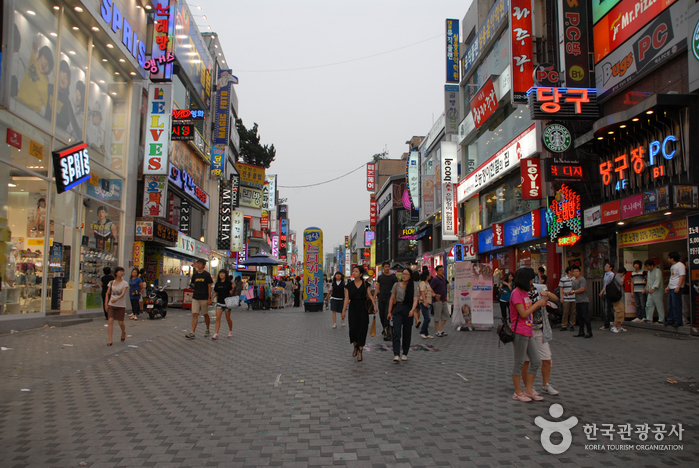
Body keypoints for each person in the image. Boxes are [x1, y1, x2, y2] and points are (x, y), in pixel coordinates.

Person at [510, 268, 549, 402]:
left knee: (536, 361)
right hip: (520, 332)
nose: (533, 282)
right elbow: (523, 313)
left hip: (528, 331)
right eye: (531, 279)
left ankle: (528, 390)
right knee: (519, 363)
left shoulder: (525, 292)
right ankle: (518, 392)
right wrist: (537, 304)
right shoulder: (516, 293)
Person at [523, 278, 560, 396]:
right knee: (526, 361)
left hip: (540, 329)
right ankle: (528, 387)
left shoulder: (539, 288)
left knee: (547, 359)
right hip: (526, 330)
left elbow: (555, 299)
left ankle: (545, 385)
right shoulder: (518, 292)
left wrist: (547, 293)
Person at [388, 268, 419, 363]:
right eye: (403, 274)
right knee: (396, 332)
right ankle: (396, 354)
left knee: (407, 332)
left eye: (406, 274)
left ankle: (405, 352)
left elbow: (415, 300)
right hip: (398, 309)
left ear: (410, 276)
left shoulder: (413, 286)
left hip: (408, 309)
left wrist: (413, 310)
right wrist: (389, 312)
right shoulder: (396, 285)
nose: (404, 275)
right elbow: (392, 299)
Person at [343, 266, 373, 362]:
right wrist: (343, 310)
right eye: (353, 271)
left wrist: (374, 306)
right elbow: (346, 298)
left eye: (356, 271)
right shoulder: (349, 285)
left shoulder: (365, 284)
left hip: (363, 308)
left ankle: (360, 350)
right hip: (353, 308)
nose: (354, 273)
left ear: (360, 274)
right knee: (353, 329)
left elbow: (369, 295)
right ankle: (355, 345)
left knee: (362, 328)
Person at [17, 42, 54, 114]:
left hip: (32, 113)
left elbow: (47, 105)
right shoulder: (33, 63)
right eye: (45, 58)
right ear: (40, 56)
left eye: (48, 64)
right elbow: (33, 54)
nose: (45, 64)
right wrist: (34, 50)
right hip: (19, 102)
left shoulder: (46, 84)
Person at [185, 259, 213, 339]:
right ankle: (192, 332)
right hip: (195, 297)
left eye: (200, 263)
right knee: (195, 314)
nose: (198, 265)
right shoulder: (195, 275)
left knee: (205, 314)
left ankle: (207, 329)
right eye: (198, 263)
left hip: (204, 297)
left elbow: (209, 286)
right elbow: (193, 284)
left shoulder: (207, 275)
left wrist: (209, 298)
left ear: (203, 265)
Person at [374, 262, 398, 341]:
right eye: (385, 267)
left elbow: (396, 288)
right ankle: (385, 328)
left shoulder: (393, 277)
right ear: (383, 268)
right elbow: (378, 287)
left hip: (390, 298)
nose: (387, 268)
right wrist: (374, 297)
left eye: (388, 267)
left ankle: (387, 332)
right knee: (381, 314)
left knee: (386, 314)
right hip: (381, 298)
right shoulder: (380, 277)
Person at [105, 267, 128, 346]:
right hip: (112, 304)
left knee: (120, 322)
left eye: (122, 272)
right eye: (120, 271)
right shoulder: (111, 283)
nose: (122, 273)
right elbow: (107, 293)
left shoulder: (125, 283)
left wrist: (117, 299)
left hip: (120, 305)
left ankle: (123, 332)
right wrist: (106, 304)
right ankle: (110, 340)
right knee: (110, 320)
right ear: (116, 273)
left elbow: (123, 294)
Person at [665, 251, 686, 328]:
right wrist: (668, 286)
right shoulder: (672, 266)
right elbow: (672, 277)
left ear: (672, 258)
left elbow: (682, 276)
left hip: (676, 287)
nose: (668, 259)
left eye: (669, 257)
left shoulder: (680, 265)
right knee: (670, 304)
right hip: (671, 287)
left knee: (676, 304)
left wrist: (678, 286)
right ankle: (670, 320)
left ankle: (678, 320)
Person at [211, 270, 234, 340]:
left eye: (223, 274)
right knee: (218, 318)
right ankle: (216, 333)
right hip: (219, 302)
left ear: (225, 275)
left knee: (228, 318)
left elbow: (231, 292)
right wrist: (211, 299)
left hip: (227, 303)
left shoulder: (228, 283)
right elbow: (216, 292)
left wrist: (233, 288)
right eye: (220, 274)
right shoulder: (217, 283)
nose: (221, 275)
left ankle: (230, 330)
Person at [570, 266, 592, 338]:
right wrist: (569, 292)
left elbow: (582, 289)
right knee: (579, 317)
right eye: (574, 272)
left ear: (580, 272)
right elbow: (572, 290)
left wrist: (574, 291)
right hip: (577, 301)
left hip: (584, 301)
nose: (575, 273)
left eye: (577, 271)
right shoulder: (573, 281)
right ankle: (581, 332)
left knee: (585, 317)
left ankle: (589, 332)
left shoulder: (582, 279)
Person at [430, 265, 449, 337]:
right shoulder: (435, 279)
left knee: (446, 315)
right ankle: (437, 331)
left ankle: (441, 329)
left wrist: (446, 296)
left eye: (442, 270)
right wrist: (435, 295)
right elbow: (430, 288)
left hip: (443, 299)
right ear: (436, 271)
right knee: (437, 316)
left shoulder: (443, 279)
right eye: (440, 270)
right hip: (437, 300)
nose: (442, 271)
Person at [643, 259, 664, 323]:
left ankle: (661, 319)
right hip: (650, 291)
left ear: (652, 265)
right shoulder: (649, 272)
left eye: (648, 266)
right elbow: (649, 281)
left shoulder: (658, 271)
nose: (647, 268)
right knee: (649, 305)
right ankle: (649, 318)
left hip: (657, 291)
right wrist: (647, 288)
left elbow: (657, 280)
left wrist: (653, 288)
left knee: (659, 305)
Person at [599, 261, 615, 330]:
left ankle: (607, 323)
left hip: (610, 293)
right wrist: (602, 291)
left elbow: (611, 285)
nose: (605, 267)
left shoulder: (612, 275)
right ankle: (610, 321)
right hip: (605, 292)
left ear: (611, 268)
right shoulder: (605, 274)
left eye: (607, 266)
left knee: (608, 309)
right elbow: (605, 284)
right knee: (607, 308)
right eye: (605, 266)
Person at [418, 270, 434, 339]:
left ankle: (426, 333)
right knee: (427, 318)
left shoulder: (427, 283)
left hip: (428, 302)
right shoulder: (423, 283)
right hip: (424, 302)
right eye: (430, 274)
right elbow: (423, 293)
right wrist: (425, 302)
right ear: (427, 276)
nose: (431, 275)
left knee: (427, 318)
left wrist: (435, 295)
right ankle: (422, 331)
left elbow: (429, 292)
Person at [559, 267, 576, 331]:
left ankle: (572, 325)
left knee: (573, 312)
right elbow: (561, 288)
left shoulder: (575, 279)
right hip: (566, 298)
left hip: (574, 298)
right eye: (573, 271)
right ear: (569, 271)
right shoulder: (563, 279)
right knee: (565, 312)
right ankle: (564, 325)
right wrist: (561, 297)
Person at [611, 267, 627, 333]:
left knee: (621, 311)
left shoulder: (616, 275)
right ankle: (614, 326)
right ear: (623, 273)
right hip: (618, 297)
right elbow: (621, 283)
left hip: (620, 297)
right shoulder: (618, 275)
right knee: (619, 311)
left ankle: (619, 326)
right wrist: (623, 278)